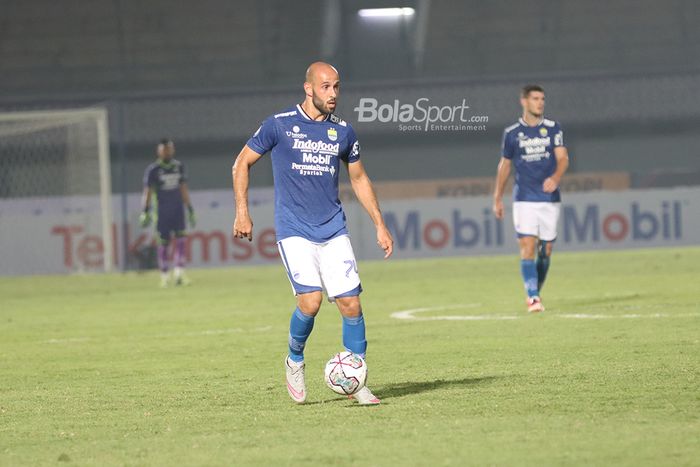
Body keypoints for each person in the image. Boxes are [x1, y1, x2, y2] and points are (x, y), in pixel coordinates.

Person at [232, 62, 394, 405]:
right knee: (311, 301)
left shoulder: (345, 132)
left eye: (336, 87)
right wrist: (242, 212)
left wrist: (379, 222)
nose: (333, 94)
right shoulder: (279, 125)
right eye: (325, 87)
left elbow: (360, 178)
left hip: (333, 228)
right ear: (308, 89)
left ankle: (355, 378)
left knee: (351, 304)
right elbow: (241, 162)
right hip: (294, 229)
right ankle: (294, 359)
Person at [492, 85, 570, 313]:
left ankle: (535, 288)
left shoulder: (554, 129)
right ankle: (533, 297)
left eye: (542, 99)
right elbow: (505, 166)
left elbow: (563, 158)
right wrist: (497, 197)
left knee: (545, 251)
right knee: (527, 246)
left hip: (549, 199)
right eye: (535, 98)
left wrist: (555, 177)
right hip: (524, 198)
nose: (540, 102)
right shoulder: (512, 133)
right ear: (524, 102)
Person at [140, 139, 196, 287]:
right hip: (162, 213)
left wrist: (190, 208)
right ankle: (164, 276)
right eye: (164, 149)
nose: (167, 152)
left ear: (173, 150)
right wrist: (145, 211)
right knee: (163, 244)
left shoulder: (179, 167)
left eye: (169, 149)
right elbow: (148, 191)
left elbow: (183, 188)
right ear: (159, 151)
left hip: (178, 211)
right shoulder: (153, 170)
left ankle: (179, 274)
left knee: (181, 242)